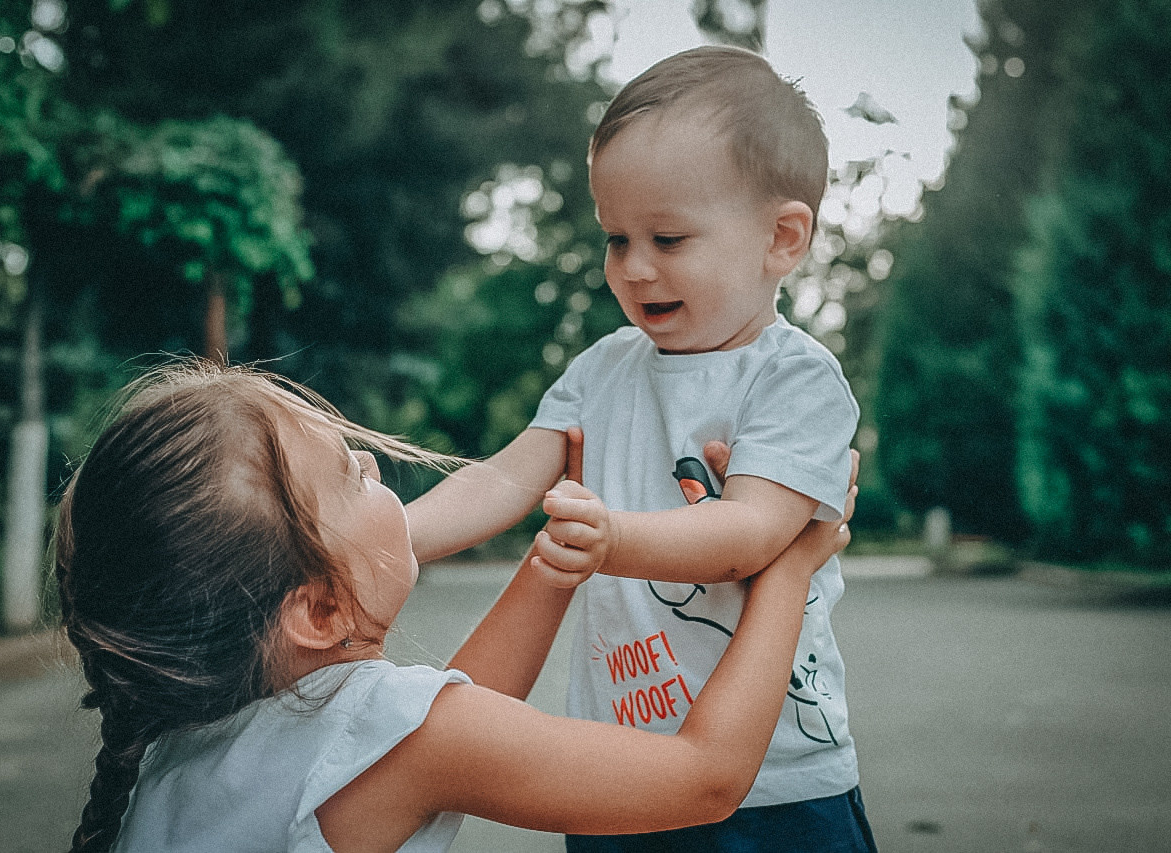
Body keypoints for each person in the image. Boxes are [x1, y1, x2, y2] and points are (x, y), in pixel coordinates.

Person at [55, 360, 856, 853]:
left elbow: (445, 718)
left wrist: (553, 563)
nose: (372, 461)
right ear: (321, 612)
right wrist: (791, 560)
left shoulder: (182, 738)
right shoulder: (405, 737)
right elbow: (705, 778)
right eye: (349, 476)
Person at [406, 45, 875, 852]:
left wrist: (612, 540)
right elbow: (505, 477)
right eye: (616, 237)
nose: (634, 267)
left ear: (783, 237)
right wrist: (389, 537)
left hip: (772, 778)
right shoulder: (603, 368)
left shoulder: (795, 378)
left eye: (667, 236)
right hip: (616, 764)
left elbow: (750, 534)